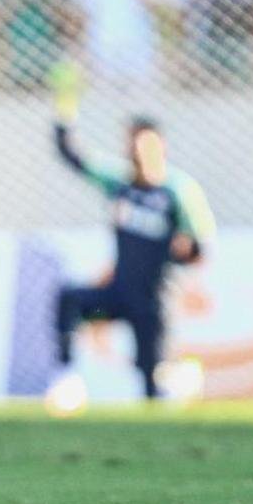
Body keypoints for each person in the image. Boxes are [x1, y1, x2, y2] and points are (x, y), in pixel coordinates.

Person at [49, 89, 216, 401]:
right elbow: (74, 156)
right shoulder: (119, 183)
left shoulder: (178, 191)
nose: (137, 150)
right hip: (119, 295)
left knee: (151, 386)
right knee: (70, 300)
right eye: (132, 141)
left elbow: (201, 246)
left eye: (144, 142)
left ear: (160, 146)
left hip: (154, 303)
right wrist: (65, 113)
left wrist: (186, 251)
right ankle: (66, 378)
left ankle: (174, 375)